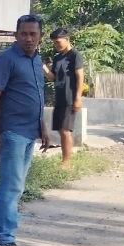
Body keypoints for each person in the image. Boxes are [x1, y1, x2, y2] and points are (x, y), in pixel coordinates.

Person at [0, 15, 52, 246]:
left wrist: (43, 127)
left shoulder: (37, 61)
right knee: (12, 186)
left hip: (30, 131)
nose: (29, 38)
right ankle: (5, 240)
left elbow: (37, 96)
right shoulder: (6, 59)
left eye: (33, 34)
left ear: (40, 36)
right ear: (16, 35)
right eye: (24, 33)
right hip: (11, 132)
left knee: (12, 185)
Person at [44, 28, 84, 169]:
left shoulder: (75, 55)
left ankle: (67, 162)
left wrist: (78, 97)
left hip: (70, 98)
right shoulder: (57, 58)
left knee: (66, 130)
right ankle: (64, 160)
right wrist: (43, 66)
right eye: (54, 43)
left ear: (67, 39)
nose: (56, 45)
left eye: (58, 42)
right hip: (59, 98)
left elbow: (80, 77)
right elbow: (52, 78)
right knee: (61, 130)